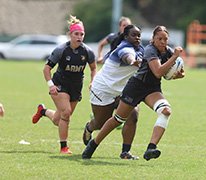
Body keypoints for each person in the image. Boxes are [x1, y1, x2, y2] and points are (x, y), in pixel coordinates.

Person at [82, 25, 185, 161]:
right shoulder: (149, 50)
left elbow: (174, 71)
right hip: (135, 88)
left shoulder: (168, 51)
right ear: (153, 39)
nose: (162, 42)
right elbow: (158, 71)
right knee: (117, 120)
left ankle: (150, 148)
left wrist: (178, 74)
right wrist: (175, 57)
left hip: (152, 89)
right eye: (159, 39)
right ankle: (93, 144)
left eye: (165, 39)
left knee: (165, 110)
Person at [32, 15, 97, 154]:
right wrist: (51, 85)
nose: (79, 37)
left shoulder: (87, 51)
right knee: (66, 114)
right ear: (70, 35)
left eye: (82, 34)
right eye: (76, 34)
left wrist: (93, 81)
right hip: (60, 84)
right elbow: (47, 68)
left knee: (59, 119)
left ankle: (42, 111)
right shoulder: (61, 50)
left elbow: (93, 68)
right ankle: (64, 147)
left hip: (76, 86)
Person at [82, 25, 143, 160]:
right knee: (101, 123)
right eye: (134, 35)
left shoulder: (141, 49)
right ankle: (89, 127)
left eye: (139, 35)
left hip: (123, 90)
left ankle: (125, 152)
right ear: (126, 36)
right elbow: (128, 57)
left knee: (133, 115)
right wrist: (133, 62)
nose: (137, 38)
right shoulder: (124, 48)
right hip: (103, 89)